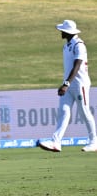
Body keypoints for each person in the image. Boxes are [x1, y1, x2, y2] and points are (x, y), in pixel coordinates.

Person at [37, 20, 97, 152]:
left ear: (68, 32)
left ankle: (94, 142)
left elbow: (77, 65)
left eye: (63, 31)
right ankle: (56, 142)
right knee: (63, 111)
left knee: (84, 112)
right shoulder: (67, 46)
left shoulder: (79, 45)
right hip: (69, 84)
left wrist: (66, 83)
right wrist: (66, 83)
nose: (61, 32)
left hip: (79, 84)